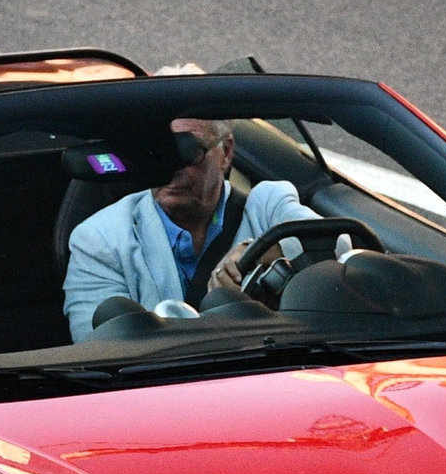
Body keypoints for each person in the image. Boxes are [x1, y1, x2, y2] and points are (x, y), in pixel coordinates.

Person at [63, 117, 318, 341]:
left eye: (187, 152)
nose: (170, 168)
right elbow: (96, 347)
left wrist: (268, 249)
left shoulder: (266, 205)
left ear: (226, 153)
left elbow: (341, 242)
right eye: (157, 153)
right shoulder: (100, 238)